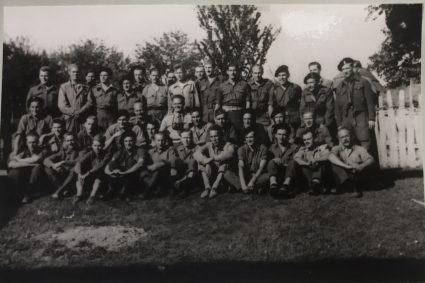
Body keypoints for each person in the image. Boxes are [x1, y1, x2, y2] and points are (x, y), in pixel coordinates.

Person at [334, 57, 376, 151]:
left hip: (361, 115)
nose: (345, 71)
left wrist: (371, 119)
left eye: (347, 68)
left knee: (365, 141)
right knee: (349, 143)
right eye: (343, 69)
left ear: (353, 68)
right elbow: (337, 107)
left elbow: (370, 102)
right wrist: (339, 123)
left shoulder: (363, 82)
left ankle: (366, 164)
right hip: (346, 118)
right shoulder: (340, 86)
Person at [194, 125, 238, 199]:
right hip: (213, 173)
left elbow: (231, 152)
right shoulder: (209, 144)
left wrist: (216, 158)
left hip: (225, 175)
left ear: (221, 136)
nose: (213, 139)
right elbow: (196, 153)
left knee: (224, 163)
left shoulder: (227, 145)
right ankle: (207, 188)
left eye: (216, 136)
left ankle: (214, 188)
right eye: (212, 137)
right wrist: (205, 160)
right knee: (201, 164)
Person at [328, 127, 374, 198]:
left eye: (347, 136)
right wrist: (345, 166)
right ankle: (351, 188)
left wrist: (361, 166)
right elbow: (330, 157)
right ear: (339, 139)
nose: (345, 139)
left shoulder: (359, 148)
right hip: (344, 174)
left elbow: (371, 159)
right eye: (342, 137)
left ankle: (350, 188)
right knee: (334, 164)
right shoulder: (336, 148)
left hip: (355, 174)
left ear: (351, 136)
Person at [104, 131, 147, 201]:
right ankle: (111, 190)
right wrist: (110, 173)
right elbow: (109, 164)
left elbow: (140, 164)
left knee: (131, 162)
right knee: (113, 165)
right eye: (126, 141)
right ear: (123, 142)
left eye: (130, 141)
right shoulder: (120, 151)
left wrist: (125, 173)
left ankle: (123, 192)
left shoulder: (140, 150)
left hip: (136, 175)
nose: (128, 143)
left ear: (134, 141)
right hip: (124, 174)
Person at [8, 133, 46, 204]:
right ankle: (13, 193)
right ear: (26, 142)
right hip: (26, 172)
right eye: (29, 142)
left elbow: (36, 159)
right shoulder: (23, 150)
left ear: (38, 142)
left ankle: (28, 194)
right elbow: (11, 164)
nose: (31, 145)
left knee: (37, 168)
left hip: (40, 176)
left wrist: (19, 160)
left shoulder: (43, 150)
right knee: (14, 171)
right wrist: (30, 165)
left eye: (34, 142)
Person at [139, 132, 178, 199]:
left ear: (165, 140)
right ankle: (158, 189)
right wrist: (150, 167)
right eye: (158, 140)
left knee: (158, 171)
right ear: (155, 141)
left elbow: (172, 160)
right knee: (143, 173)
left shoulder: (170, 150)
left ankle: (147, 192)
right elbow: (147, 165)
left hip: (165, 176)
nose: (160, 142)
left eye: (162, 140)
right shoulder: (151, 151)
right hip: (153, 175)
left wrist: (160, 164)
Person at [74, 135, 111, 205]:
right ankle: (79, 195)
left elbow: (101, 165)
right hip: (91, 175)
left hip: (103, 176)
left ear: (103, 145)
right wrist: (79, 173)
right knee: (79, 172)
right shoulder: (91, 153)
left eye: (99, 146)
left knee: (99, 176)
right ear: (92, 146)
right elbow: (80, 162)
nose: (97, 148)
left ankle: (92, 196)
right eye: (95, 145)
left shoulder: (107, 154)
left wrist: (88, 173)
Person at [268, 65, 302, 139]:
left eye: (284, 75)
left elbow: (301, 104)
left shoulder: (296, 87)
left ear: (288, 75)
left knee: (293, 137)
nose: (282, 77)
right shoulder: (274, 89)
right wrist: (272, 121)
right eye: (279, 75)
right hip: (280, 119)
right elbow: (271, 105)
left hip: (293, 119)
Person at [58, 64, 93, 134]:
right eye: (73, 72)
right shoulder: (64, 87)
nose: (75, 74)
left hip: (82, 119)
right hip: (68, 119)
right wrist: (74, 112)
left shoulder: (86, 87)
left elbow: (89, 102)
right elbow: (61, 105)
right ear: (69, 72)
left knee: (82, 138)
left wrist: (80, 112)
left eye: (77, 72)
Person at [293, 130, 330, 195]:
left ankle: (316, 184)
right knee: (301, 165)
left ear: (314, 139)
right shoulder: (303, 149)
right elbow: (296, 158)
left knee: (322, 163)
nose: (306, 141)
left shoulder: (321, 148)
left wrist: (317, 160)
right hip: (309, 175)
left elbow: (328, 155)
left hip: (320, 175)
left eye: (309, 139)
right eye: (305, 140)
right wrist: (306, 163)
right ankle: (314, 186)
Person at [44, 132, 79, 199]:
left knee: (74, 169)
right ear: (65, 142)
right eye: (68, 141)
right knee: (47, 169)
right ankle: (63, 189)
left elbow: (78, 161)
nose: (70, 142)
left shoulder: (80, 150)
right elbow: (46, 160)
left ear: (76, 140)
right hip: (64, 172)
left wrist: (63, 162)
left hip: (74, 175)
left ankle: (59, 191)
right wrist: (53, 166)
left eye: (72, 140)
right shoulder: (63, 151)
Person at [217, 63, 251, 131]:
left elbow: (248, 102)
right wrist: (216, 117)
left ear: (238, 72)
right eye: (230, 70)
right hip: (226, 114)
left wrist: (246, 114)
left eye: (235, 70)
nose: (232, 72)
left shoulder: (244, 85)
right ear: (227, 72)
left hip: (240, 114)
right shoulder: (222, 86)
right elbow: (218, 104)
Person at [268, 124, 298, 197]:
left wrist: (283, 163)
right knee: (271, 161)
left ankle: (286, 186)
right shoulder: (271, 148)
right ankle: (273, 186)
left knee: (293, 162)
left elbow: (295, 162)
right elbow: (268, 163)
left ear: (287, 136)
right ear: (275, 135)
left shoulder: (293, 147)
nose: (281, 137)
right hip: (277, 174)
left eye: (284, 135)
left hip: (289, 175)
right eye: (279, 134)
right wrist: (274, 159)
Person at [236, 127, 269, 194]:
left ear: (256, 137)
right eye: (247, 138)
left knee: (269, 175)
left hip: (258, 176)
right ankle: (247, 187)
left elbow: (261, 168)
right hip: (246, 176)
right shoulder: (241, 149)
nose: (249, 140)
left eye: (251, 137)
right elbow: (241, 166)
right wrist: (243, 184)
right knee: (227, 174)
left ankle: (245, 188)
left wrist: (252, 181)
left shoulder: (263, 148)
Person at [172, 130, 199, 197]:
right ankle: (174, 187)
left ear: (192, 138)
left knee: (192, 162)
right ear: (181, 139)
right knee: (174, 160)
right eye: (184, 138)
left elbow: (194, 167)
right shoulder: (178, 148)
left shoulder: (197, 148)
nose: (186, 140)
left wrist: (181, 181)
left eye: (188, 137)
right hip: (182, 173)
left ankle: (186, 191)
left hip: (193, 175)